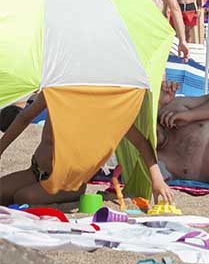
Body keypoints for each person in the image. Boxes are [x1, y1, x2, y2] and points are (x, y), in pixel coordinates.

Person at [1, 88, 173, 206]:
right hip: (35, 171)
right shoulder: (57, 90)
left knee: (24, 197)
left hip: (67, 181)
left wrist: (157, 180)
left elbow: (141, 142)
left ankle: (75, 193)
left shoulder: (101, 106)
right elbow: (24, 118)